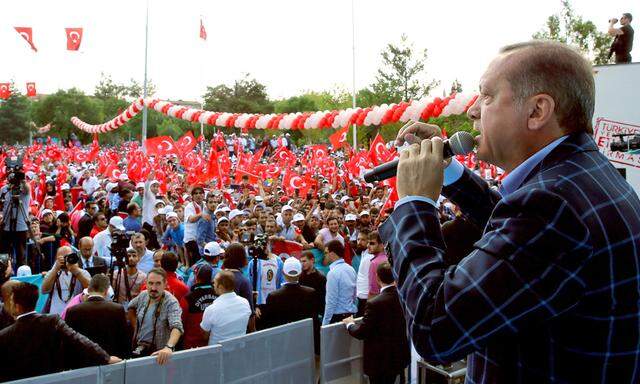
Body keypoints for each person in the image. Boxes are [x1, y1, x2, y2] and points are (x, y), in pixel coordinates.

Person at [381, 41, 640, 383]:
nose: (472, 110)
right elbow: (521, 239)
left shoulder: (552, 207)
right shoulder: (578, 175)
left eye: (487, 96)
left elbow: (434, 329)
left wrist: (415, 203)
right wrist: (447, 172)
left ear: (537, 111)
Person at [0, 282, 120, 382]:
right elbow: (79, 340)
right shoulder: (52, 321)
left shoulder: (4, 335)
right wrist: (105, 358)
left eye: (11, 301)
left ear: (17, 306)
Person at [343, 262, 410, 384]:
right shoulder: (404, 296)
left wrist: (349, 324)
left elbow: (361, 332)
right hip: (399, 356)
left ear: (377, 278)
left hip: (380, 362)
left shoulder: (374, 303)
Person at [65, 274, 131, 358]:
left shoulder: (72, 311)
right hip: (111, 363)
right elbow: (123, 342)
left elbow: (68, 343)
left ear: (88, 289)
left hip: (82, 363)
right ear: (107, 291)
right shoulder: (117, 309)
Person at [260, 258, 319, 350]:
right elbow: (314, 320)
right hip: (304, 343)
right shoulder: (310, 293)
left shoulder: (273, 296)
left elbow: (269, 324)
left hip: (281, 344)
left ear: (283, 273)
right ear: (300, 273)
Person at [127, 268, 183, 365]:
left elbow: (177, 327)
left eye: (158, 283)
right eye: (150, 283)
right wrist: (135, 325)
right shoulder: (143, 295)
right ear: (146, 283)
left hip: (159, 355)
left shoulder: (171, 302)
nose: (153, 288)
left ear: (165, 284)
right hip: (139, 349)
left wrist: (168, 347)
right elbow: (130, 307)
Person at [200, 270, 252, 345]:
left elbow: (205, 336)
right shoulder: (245, 303)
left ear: (220, 287)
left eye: (214, 282)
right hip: (240, 350)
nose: (213, 285)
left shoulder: (211, 309)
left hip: (217, 353)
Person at [41, 246, 91, 315]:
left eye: (68, 257)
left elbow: (90, 290)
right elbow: (44, 290)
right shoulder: (53, 272)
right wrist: (55, 270)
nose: (65, 260)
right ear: (56, 259)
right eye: (62, 258)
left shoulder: (82, 272)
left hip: (74, 315)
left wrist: (76, 271)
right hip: (54, 316)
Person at [182, 264, 217, 349]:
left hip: (192, 345)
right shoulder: (219, 294)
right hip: (213, 344)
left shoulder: (188, 298)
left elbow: (181, 321)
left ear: (196, 278)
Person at [322, 240, 356, 325]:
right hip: (350, 315)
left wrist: (325, 323)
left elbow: (331, 301)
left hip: (338, 317)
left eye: (326, 253)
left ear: (332, 254)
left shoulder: (332, 273)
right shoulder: (351, 269)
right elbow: (354, 294)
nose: (324, 255)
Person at [0, 178, 31, 267]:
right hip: (6, 226)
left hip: (21, 228)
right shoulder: (4, 189)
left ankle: (21, 275)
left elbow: (27, 188)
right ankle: (3, 273)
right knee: (4, 255)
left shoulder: (25, 188)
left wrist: (22, 180)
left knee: (21, 256)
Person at [184, 186, 206, 267]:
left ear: (204, 195)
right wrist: (201, 214)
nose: (198, 195)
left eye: (200, 193)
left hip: (202, 239)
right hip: (192, 240)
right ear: (192, 196)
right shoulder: (189, 207)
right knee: (195, 265)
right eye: (196, 193)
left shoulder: (206, 205)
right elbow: (191, 219)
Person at [354, 230, 373, 317]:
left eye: (363, 240)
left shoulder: (369, 257)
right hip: (362, 296)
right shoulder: (363, 253)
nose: (359, 242)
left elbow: (372, 279)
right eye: (358, 239)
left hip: (367, 297)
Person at [366, 231, 387, 298]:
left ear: (382, 245)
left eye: (372, 243)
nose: (368, 246)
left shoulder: (374, 263)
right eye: (368, 242)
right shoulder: (391, 257)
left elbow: (373, 291)